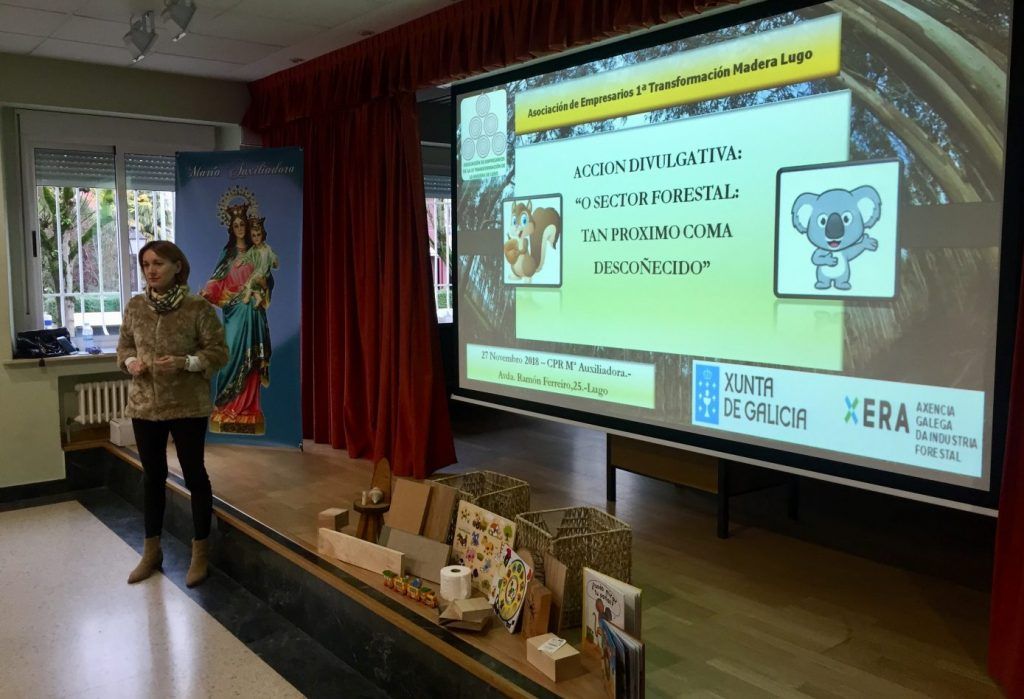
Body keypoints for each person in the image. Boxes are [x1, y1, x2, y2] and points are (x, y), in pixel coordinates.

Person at [117, 240, 228, 587]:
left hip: (187, 405)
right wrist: (129, 361)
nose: (151, 270)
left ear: (177, 266)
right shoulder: (136, 306)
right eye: (146, 264)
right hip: (145, 406)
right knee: (153, 477)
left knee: (194, 475)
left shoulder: (198, 307)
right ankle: (152, 552)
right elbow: (124, 345)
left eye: (158, 263)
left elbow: (218, 352)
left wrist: (185, 362)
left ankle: (200, 553)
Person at [201, 206, 272, 434]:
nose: (240, 228)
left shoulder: (257, 251)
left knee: (251, 358)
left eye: (243, 225)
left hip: (253, 310)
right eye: (236, 225)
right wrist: (208, 291)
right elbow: (217, 280)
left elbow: (267, 277)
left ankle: (249, 409)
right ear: (231, 229)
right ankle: (226, 406)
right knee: (231, 357)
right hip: (234, 310)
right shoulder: (228, 253)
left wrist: (262, 284)